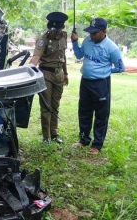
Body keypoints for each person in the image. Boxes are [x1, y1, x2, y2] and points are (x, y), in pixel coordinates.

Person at [70, 18, 125, 155]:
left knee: (101, 114)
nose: (91, 35)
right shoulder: (88, 41)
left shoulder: (112, 48)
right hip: (85, 82)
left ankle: (97, 145)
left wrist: (105, 71)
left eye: (95, 33)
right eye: (90, 32)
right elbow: (78, 54)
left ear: (104, 31)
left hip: (101, 84)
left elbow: (120, 67)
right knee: (84, 111)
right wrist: (75, 42)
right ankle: (84, 139)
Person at [29, 12, 69, 144]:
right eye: (53, 30)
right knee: (46, 106)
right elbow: (36, 57)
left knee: (55, 105)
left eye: (57, 30)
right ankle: (46, 136)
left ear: (62, 28)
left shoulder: (64, 36)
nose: (55, 33)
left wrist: (66, 73)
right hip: (46, 74)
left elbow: (63, 57)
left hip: (59, 74)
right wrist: (28, 72)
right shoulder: (43, 39)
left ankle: (54, 133)